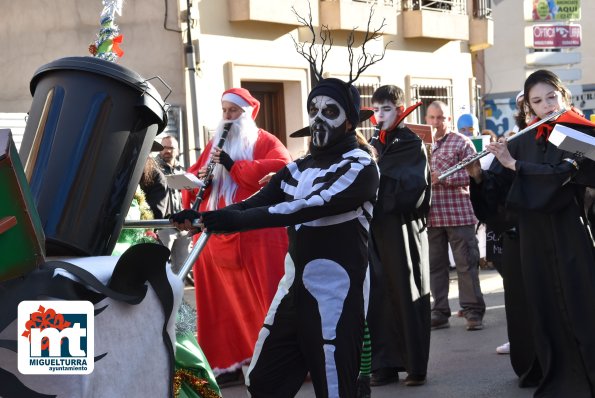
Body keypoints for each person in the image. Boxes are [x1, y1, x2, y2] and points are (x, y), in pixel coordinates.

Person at [173, 77, 380, 397]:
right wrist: (200, 218)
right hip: (292, 293)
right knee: (262, 381)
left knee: (335, 386)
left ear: (350, 120)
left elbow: (306, 207)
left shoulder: (360, 165)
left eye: (330, 110)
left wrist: (225, 220)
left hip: (335, 295)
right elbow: (256, 201)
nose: (319, 118)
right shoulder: (298, 169)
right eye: (313, 109)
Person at [466, 69, 595, 397]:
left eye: (551, 97)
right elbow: (499, 195)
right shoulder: (522, 141)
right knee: (544, 308)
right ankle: (557, 374)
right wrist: (479, 176)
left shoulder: (579, 134)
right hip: (533, 241)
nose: (546, 106)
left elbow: (564, 177)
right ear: (529, 107)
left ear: (563, 95)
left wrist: (515, 165)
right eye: (537, 101)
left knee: (582, 306)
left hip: (570, 233)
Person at [181, 87, 292, 385]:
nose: (228, 117)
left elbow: (281, 168)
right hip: (214, 239)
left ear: (247, 113)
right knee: (218, 306)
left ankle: (275, 361)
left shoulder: (265, 140)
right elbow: (194, 175)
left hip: (254, 235)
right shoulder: (214, 144)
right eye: (225, 111)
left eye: (234, 111)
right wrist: (198, 178)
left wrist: (234, 166)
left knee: (264, 300)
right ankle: (225, 364)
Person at [366, 85, 431, 387]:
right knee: (377, 295)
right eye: (376, 109)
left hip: (402, 228)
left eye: (386, 109)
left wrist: (378, 165)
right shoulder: (370, 143)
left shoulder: (410, 143)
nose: (380, 115)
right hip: (374, 228)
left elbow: (413, 187)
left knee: (407, 293)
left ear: (400, 109)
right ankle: (384, 364)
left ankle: (415, 365)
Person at [425, 101, 486, 331]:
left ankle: (473, 312)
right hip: (432, 216)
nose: (435, 122)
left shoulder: (461, 142)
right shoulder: (423, 144)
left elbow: (474, 175)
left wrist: (442, 177)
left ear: (448, 119)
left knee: (466, 265)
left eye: (440, 118)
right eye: (431, 117)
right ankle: (439, 311)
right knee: (435, 267)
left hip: (458, 213)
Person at [154, 135, 191, 272]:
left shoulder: (182, 170)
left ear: (177, 150)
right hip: (163, 225)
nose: (167, 151)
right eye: (164, 147)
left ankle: (178, 294)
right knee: (160, 267)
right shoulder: (152, 167)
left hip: (183, 225)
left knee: (182, 268)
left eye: (171, 148)